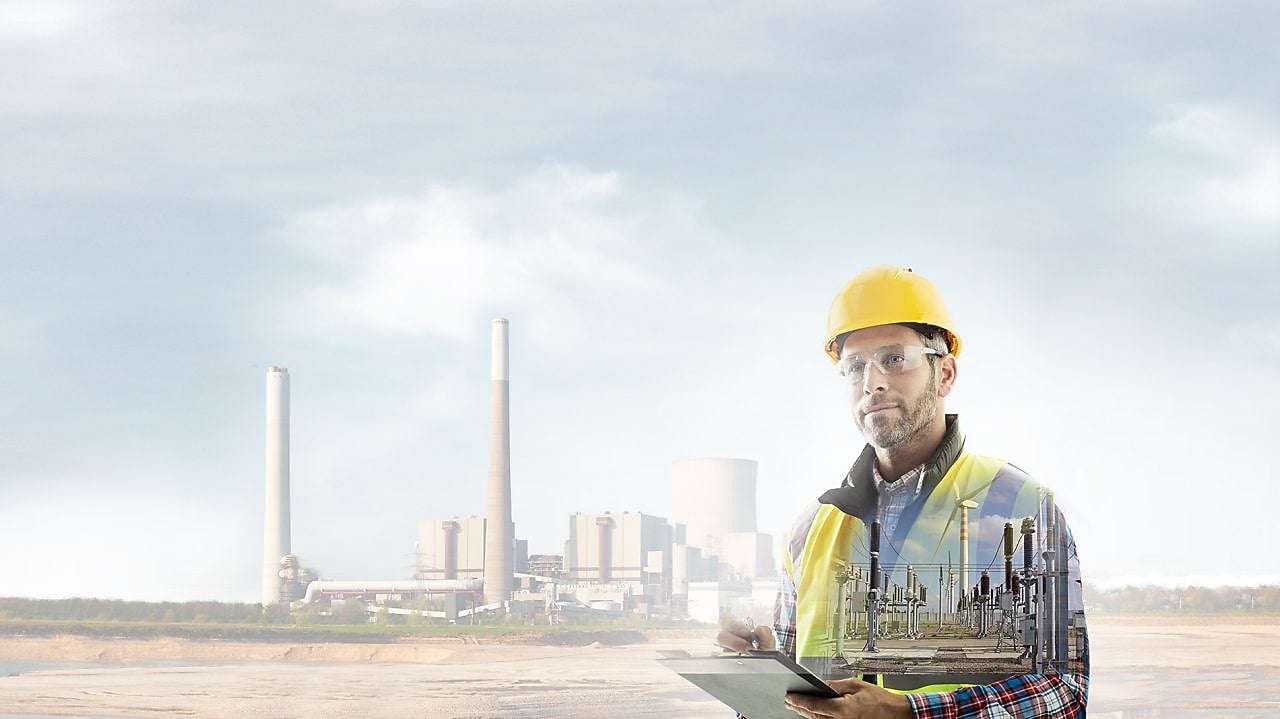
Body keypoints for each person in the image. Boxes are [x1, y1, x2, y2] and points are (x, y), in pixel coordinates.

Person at [717, 266, 1089, 718]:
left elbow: (1065, 694)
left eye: (894, 359)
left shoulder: (1024, 508)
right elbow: (790, 709)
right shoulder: (810, 529)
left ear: (945, 374)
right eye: (855, 366)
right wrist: (763, 678)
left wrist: (911, 712)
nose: (872, 381)